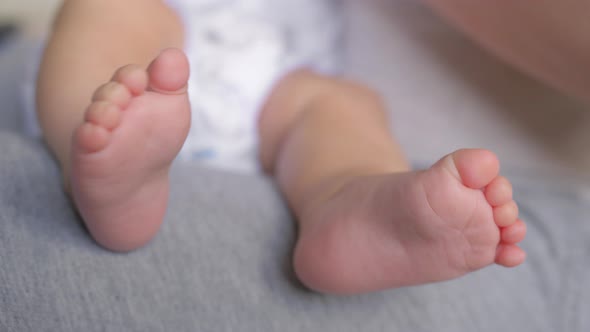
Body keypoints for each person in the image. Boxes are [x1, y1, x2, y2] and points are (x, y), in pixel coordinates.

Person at [34, 0, 525, 295]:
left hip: (281, 76)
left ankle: (350, 203)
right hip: (157, 37)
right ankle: (111, 172)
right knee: (106, 17)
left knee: (343, 106)